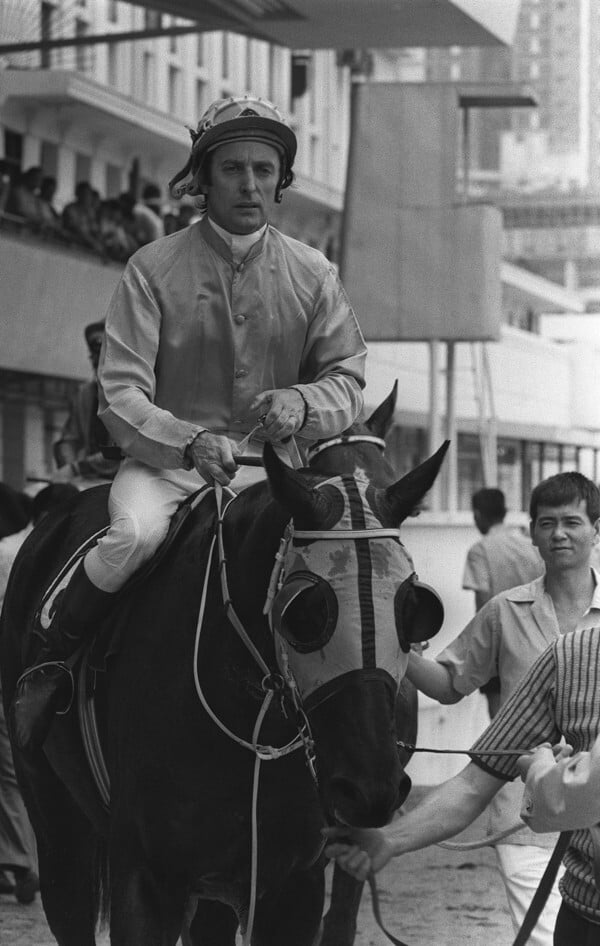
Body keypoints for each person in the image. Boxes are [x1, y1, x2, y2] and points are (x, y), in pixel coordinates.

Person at [10, 94, 367, 754]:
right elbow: (119, 395)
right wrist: (190, 441)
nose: (250, 183)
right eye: (233, 168)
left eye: (264, 169)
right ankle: (54, 662)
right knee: (135, 535)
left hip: (279, 473)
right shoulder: (151, 267)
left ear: (280, 181)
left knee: (361, 563)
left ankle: (364, 719)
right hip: (166, 470)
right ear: (201, 178)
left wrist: (303, 403)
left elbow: (349, 380)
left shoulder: (315, 273)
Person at [400, 472, 600, 944]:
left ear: (596, 528)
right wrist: (398, 652)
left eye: (572, 522)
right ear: (530, 532)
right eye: (546, 523)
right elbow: (450, 684)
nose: (558, 534)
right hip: (523, 814)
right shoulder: (504, 611)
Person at [325, 621, 600, 946]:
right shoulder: (569, 655)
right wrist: (389, 839)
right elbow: (474, 783)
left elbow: (579, 791)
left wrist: (542, 770)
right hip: (584, 921)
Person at [0, 484, 78, 904]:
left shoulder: (9, 551)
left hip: (15, 675)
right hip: (55, 675)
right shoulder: (70, 549)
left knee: (14, 769)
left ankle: (24, 861)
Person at [464, 487, 543, 719]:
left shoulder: (479, 550)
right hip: (536, 640)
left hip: (499, 645)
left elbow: (482, 603)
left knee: (500, 724)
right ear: (504, 512)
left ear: (478, 515)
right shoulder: (530, 546)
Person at [53, 321, 120, 485]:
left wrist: (77, 468)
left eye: (105, 360)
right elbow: (69, 439)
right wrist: (68, 466)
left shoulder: (132, 395)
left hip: (123, 479)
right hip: (88, 478)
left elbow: (118, 452)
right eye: (95, 360)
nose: (99, 366)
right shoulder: (84, 394)